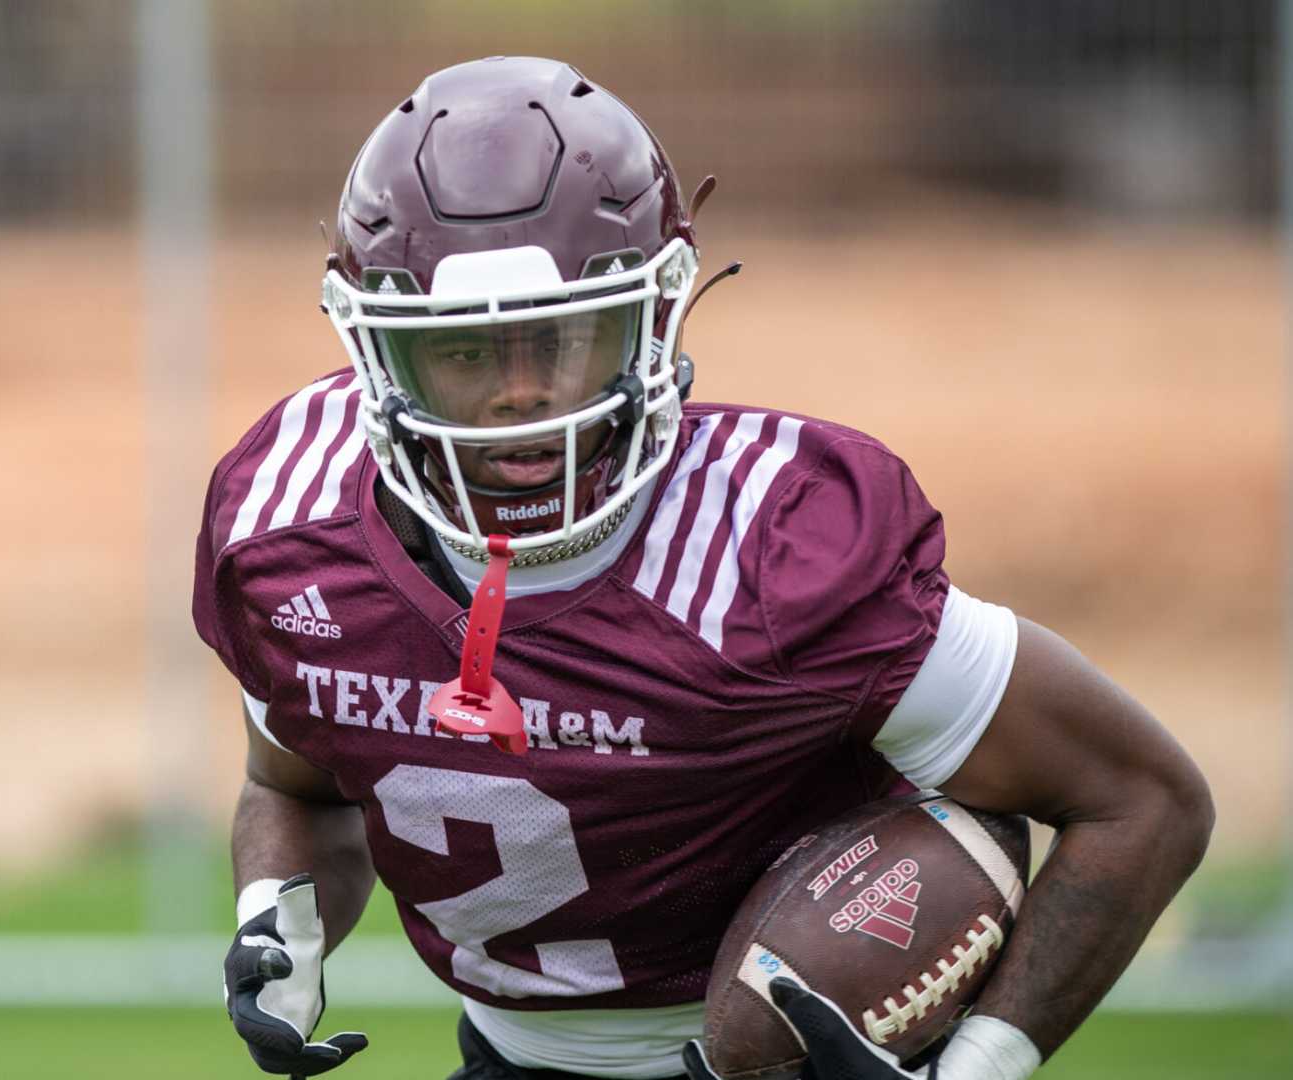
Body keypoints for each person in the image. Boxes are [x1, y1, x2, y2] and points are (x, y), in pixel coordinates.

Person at [198, 56, 1212, 1080]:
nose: (517, 395)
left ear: (653, 318)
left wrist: (980, 1066)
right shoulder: (289, 529)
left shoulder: (771, 551)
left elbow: (1142, 800)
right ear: (376, 349)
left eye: (563, 340)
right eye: (464, 353)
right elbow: (295, 787)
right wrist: (274, 919)